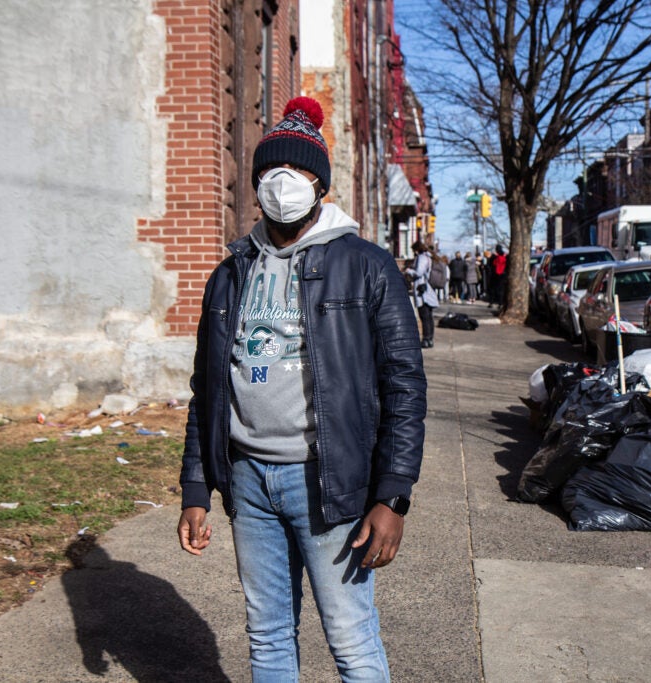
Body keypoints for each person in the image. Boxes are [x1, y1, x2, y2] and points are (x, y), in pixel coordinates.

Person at [177, 96, 427, 682]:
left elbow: (404, 386)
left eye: (296, 172)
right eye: (267, 172)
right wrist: (195, 485)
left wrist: (392, 495)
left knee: (351, 638)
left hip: (329, 482)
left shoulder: (365, 266)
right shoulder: (230, 272)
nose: (279, 183)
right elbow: (207, 390)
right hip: (248, 480)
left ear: (321, 186)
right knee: (266, 637)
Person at [406, 240, 438, 348]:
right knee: (428, 316)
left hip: (422, 290)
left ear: (416, 250)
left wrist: (409, 271)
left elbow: (419, 272)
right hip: (426, 289)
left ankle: (426, 339)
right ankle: (429, 338)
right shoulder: (428, 257)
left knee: (424, 316)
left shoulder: (422, 258)